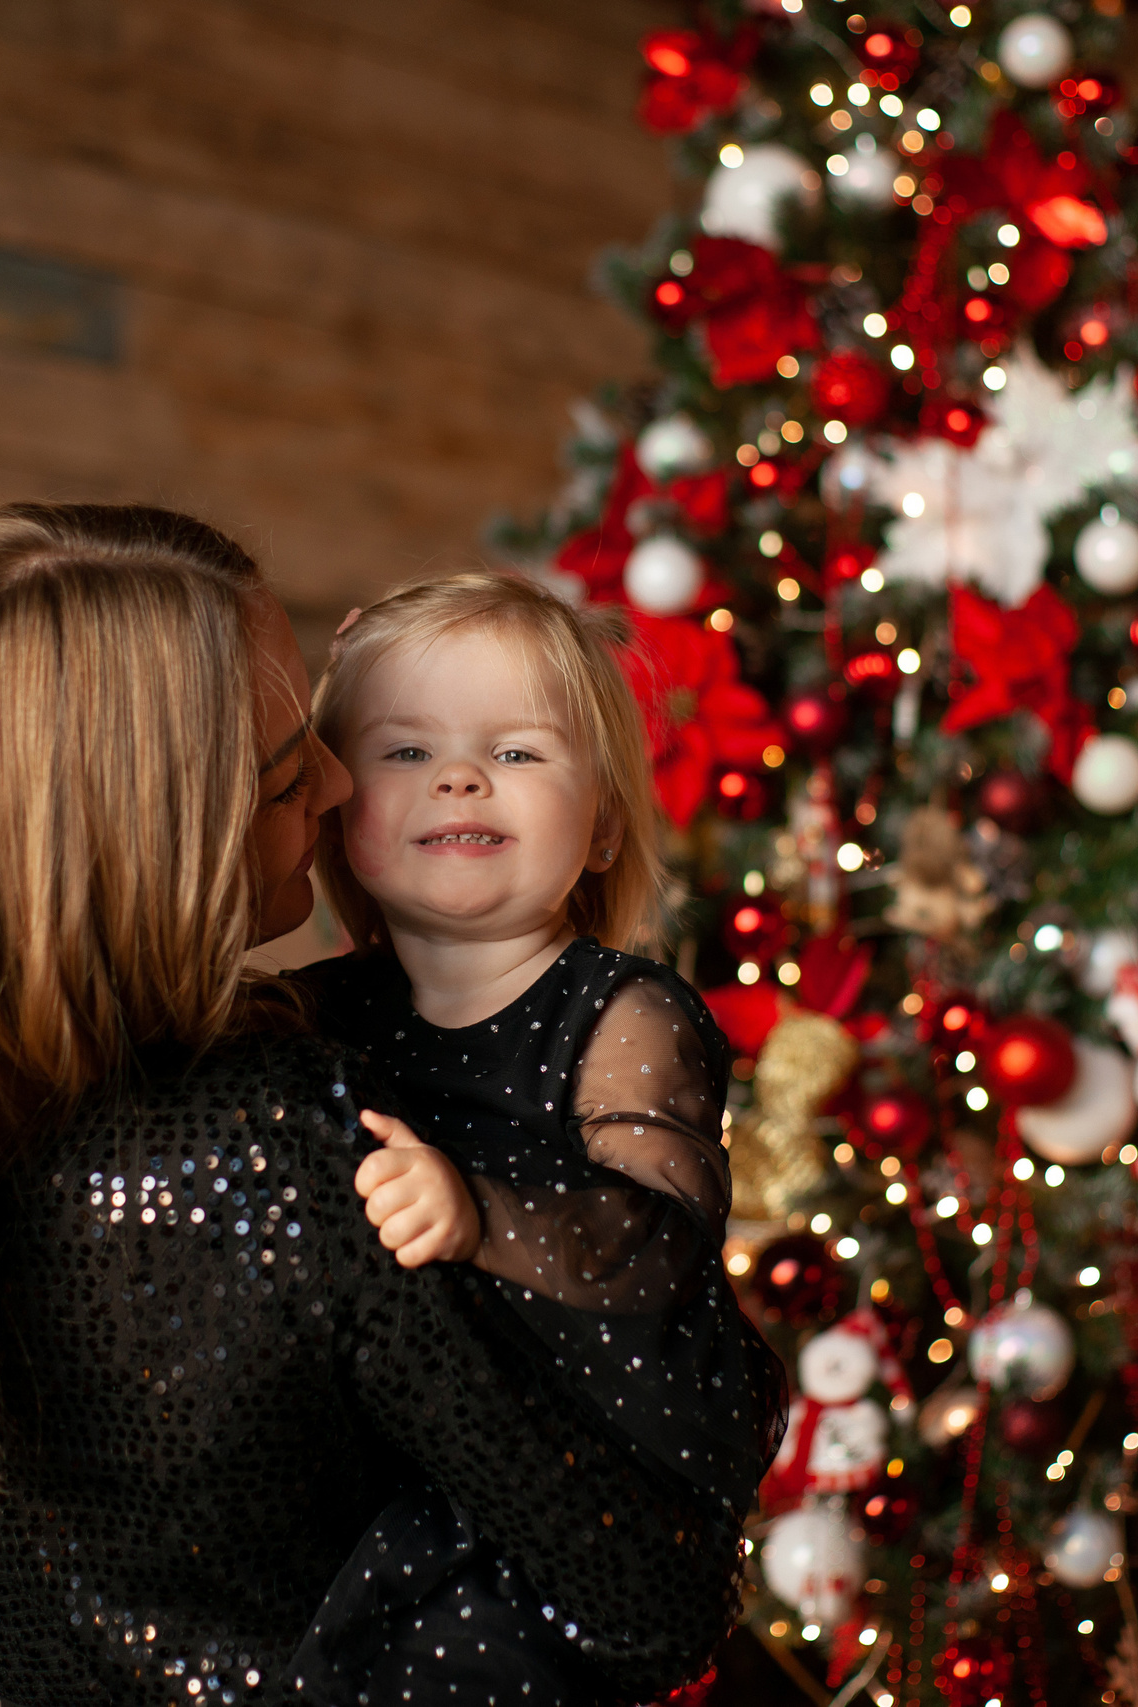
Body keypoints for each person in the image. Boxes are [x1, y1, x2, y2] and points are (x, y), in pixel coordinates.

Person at [0, 505, 740, 1707]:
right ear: (150, 842)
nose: (333, 781)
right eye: (282, 775)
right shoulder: (270, 1134)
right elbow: (647, 1593)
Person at [288, 573, 786, 1704]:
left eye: (515, 753)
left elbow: (658, 1239)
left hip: (602, 1447)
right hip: (418, 1446)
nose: (460, 777)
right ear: (332, 808)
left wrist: (477, 1213)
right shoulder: (318, 1014)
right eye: (405, 753)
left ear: (604, 822)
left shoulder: (624, 1011)